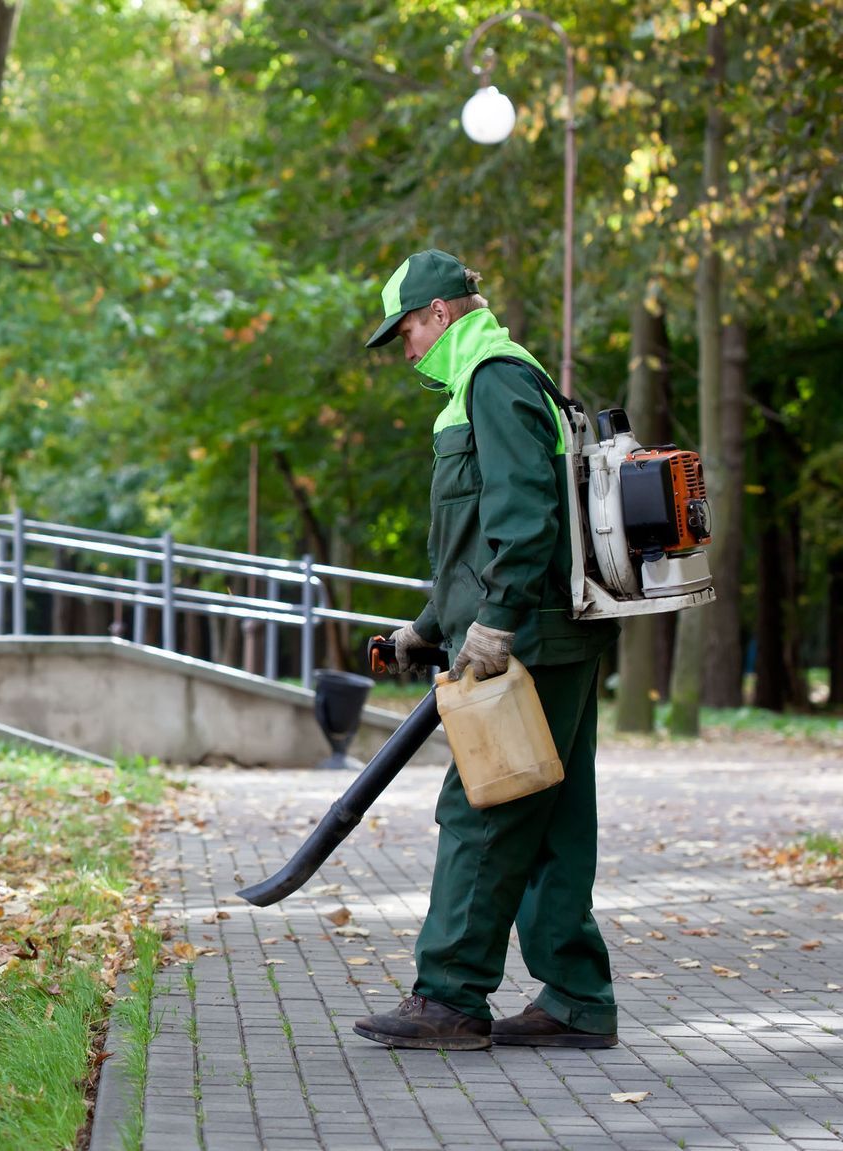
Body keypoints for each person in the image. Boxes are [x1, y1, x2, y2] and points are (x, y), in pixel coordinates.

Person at [351, 249, 619, 1051]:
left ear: (437, 313)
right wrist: (424, 631)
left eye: (404, 331)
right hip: (547, 632)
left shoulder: (494, 378)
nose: (405, 350)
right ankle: (577, 999)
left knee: (483, 811)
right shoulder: (487, 383)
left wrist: (496, 624)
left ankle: (451, 999)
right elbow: (471, 542)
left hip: (529, 636)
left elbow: (526, 510)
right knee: (555, 819)